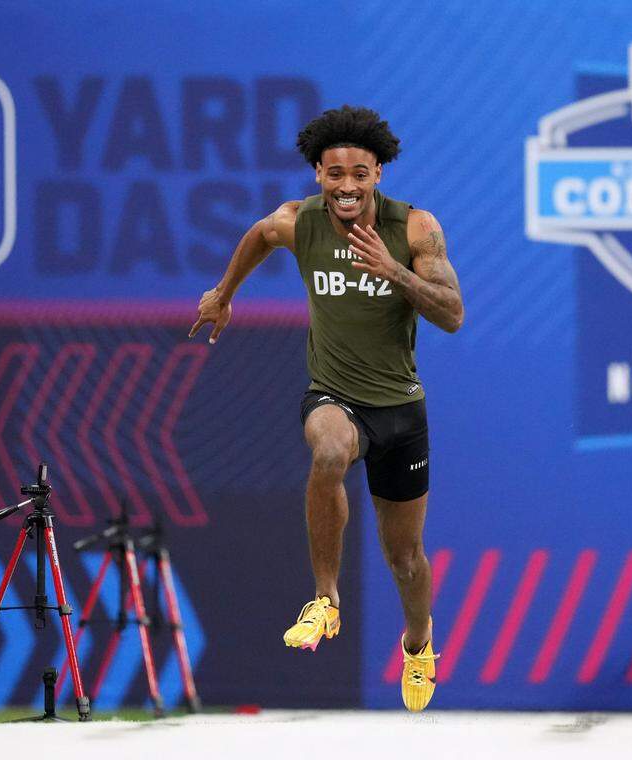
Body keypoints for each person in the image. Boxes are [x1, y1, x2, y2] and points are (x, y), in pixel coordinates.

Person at [189, 105, 463, 711]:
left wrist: (393, 271)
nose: (346, 186)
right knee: (330, 449)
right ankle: (325, 597)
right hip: (335, 394)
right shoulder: (299, 222)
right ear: (317, 173)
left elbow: (452, 313)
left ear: (378, 176)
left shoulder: (416, 229)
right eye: (334, 173)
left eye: (359, 174)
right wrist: (222, 295)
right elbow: (259, 235)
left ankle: (419, 644)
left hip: (400, 410)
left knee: (406, 558)